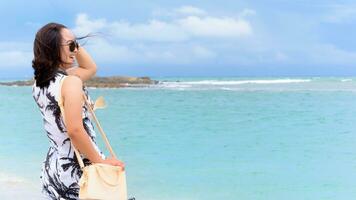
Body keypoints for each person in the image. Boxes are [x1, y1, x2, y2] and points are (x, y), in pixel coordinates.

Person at [31, 22, 125, 199]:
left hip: (55, 166)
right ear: (52, 47)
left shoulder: (40, 84)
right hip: (78, 168)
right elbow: (74, 130)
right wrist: (101, 162)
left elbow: (90, 68)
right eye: (70, 46)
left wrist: (71, 43)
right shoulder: (71, 82)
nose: (75, 50)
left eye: (76, 45)